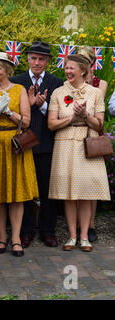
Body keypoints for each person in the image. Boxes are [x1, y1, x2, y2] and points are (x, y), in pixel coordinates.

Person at [48, 54, 110, 252]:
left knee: (85, 193)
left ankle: (84, 236)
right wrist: (72, 118)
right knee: (68, 194)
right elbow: (51, 124)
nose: (67, 71)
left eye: (71, 68)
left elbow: (100, 124)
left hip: (87, 146)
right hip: (65, 145)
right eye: (66, 68)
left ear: (83, 70)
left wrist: (85, 115)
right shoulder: (58, 92)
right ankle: (71, 236)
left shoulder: (95, 93)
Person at [0, 52, 39, 257]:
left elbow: (27, 121)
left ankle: (15, 238)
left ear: (8, 70)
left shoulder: (19, 90)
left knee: (16, 193)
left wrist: (8, 112)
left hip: (14, 145)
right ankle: (1, 238)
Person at [10, 41, 64, 248]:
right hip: (24, 143)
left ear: (48, 61)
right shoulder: (17, 81)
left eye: (41, 59)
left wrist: (44, 106)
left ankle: (48, 230)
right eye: (33, 58)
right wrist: (31, 105)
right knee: (24, 189)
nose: (37, 62)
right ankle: (26, 230)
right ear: (28, 59)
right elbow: (14, 112)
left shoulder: (57, 83)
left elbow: (61, 113)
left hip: (47, 143)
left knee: (46, 188)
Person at [76, 46, 109, 242]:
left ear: (92, 63)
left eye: (85, 61)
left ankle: (91, 224)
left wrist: (86, 86)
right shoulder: (72, 81)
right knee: (77, 177)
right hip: (74, 132)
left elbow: (95, 104)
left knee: (92, 179)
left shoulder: (100, 83)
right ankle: (79, 223)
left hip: (93, 132)